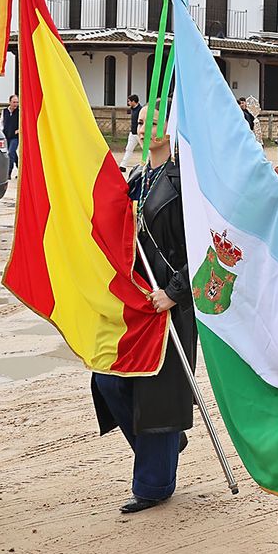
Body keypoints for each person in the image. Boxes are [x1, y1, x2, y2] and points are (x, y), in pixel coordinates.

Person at [90, 116, 198, 516]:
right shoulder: (136, 177)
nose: (145, 125)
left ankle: (155, 484)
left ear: (171, 128)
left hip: (168, 303)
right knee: (109, 380)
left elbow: (209, 246)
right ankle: (167, 446)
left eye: (155, 119)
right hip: (134, 301)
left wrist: (174, 293)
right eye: (140, 120)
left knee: (158, 393)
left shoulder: (186, 181)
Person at [1, 94, 20, 171]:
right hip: (6, 135)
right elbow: (1, 122)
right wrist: (2, 130)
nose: (16, 104)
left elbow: (23, 123)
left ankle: (9, 172)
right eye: (14, 102)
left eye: (17, 102)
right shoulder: (4, 111)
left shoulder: (19, 112)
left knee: (11, 153)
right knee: (13, 154)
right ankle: (21, 168)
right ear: (10, 102)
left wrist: (19, 130)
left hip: (15, 137)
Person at [124, 94, 143, 162]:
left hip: (139, 133)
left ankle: (148, 163)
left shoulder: (141, 110)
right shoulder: (132, 109)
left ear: (133, 101)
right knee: (128, 149)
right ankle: (123, 165)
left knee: (146, 149)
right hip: (132, 133)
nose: (128, 103)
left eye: (129, 101)